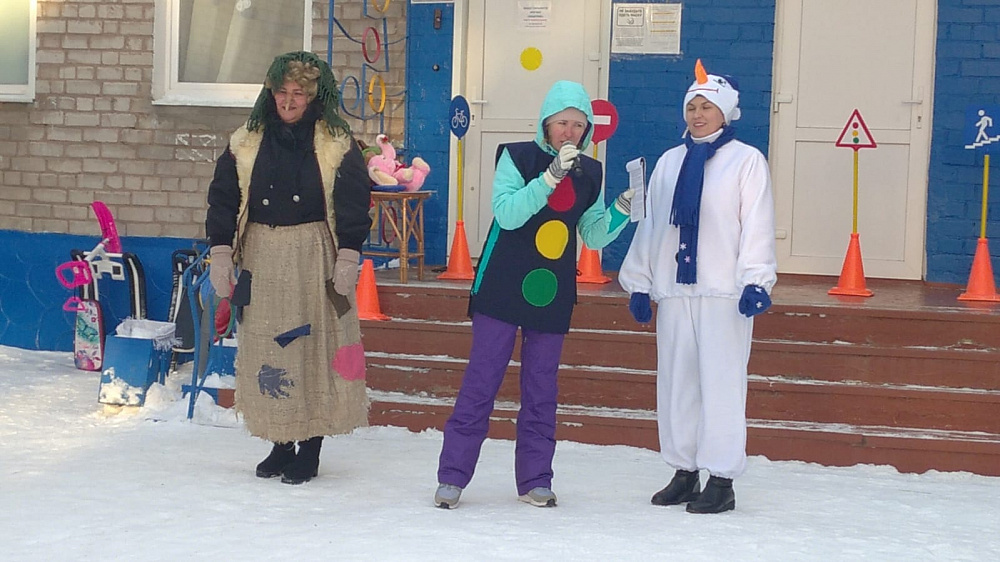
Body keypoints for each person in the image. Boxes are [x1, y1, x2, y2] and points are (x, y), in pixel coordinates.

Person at [434, 80, 634, 509]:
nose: (569, 132)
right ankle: (452, 476)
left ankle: (535, 479)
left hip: (551, 291)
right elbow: (507, 215)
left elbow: (593, 235)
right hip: (502, 284)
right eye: (562, 123)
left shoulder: (590, 172)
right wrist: (549, 177)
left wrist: (621, 210)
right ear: (545, 123)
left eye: (578, 125)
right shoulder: (516, 156)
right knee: (481, 381)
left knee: (542, 390)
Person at [205, 51, 372, 485]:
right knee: (269, 347)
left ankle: (311, 446)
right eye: (282, 91)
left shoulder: (335, 142)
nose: (289, 100)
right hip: (261, 255)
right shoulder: (246, 141)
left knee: (312, 347)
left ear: (314, 96)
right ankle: (280, 441)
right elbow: (223, 197)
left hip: (314, 255)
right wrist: (221, 251)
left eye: (299, 92)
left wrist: (349, 255)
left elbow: (354, 200)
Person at [618, 59, 777, 514]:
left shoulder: (746, 161)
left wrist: (756, 278)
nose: (698, 115)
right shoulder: (670, 162)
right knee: (677, 383)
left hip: (723, 292)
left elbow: (756, 223)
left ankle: (721, 478)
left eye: (707, 107)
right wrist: (640, 281)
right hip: (675, 291)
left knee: (722, 384)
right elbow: (651, 225)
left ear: (725, 111)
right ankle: (684, 470)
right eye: (692, 107)